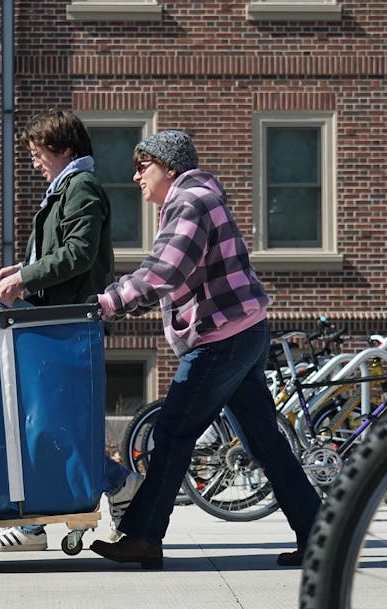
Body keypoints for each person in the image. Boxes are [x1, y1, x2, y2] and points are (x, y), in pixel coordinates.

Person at [87, 129, 320, 569]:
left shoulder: (189, 201)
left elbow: (165, 271)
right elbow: (180, 275)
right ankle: (320, 537)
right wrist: (131, 302)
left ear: (169, 167)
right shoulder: (201, 197)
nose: (135, 176)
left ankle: (142, 536)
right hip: (244, 331)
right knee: (265, 442)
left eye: (143, 167)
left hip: (222, 338)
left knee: (172, 434)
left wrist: (108, 302)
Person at [0, 108, 143, 552]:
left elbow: (78, 254)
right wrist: (23, 269)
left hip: (69, 326)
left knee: (51, 426)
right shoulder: (65, 190)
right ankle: (117, 485)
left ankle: (41, 524)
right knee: (51, 425)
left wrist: (25, 279)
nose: (35, 162)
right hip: (56, 324)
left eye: (40, 153)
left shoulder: (82, 189)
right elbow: (64, 252)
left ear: (66, 150)